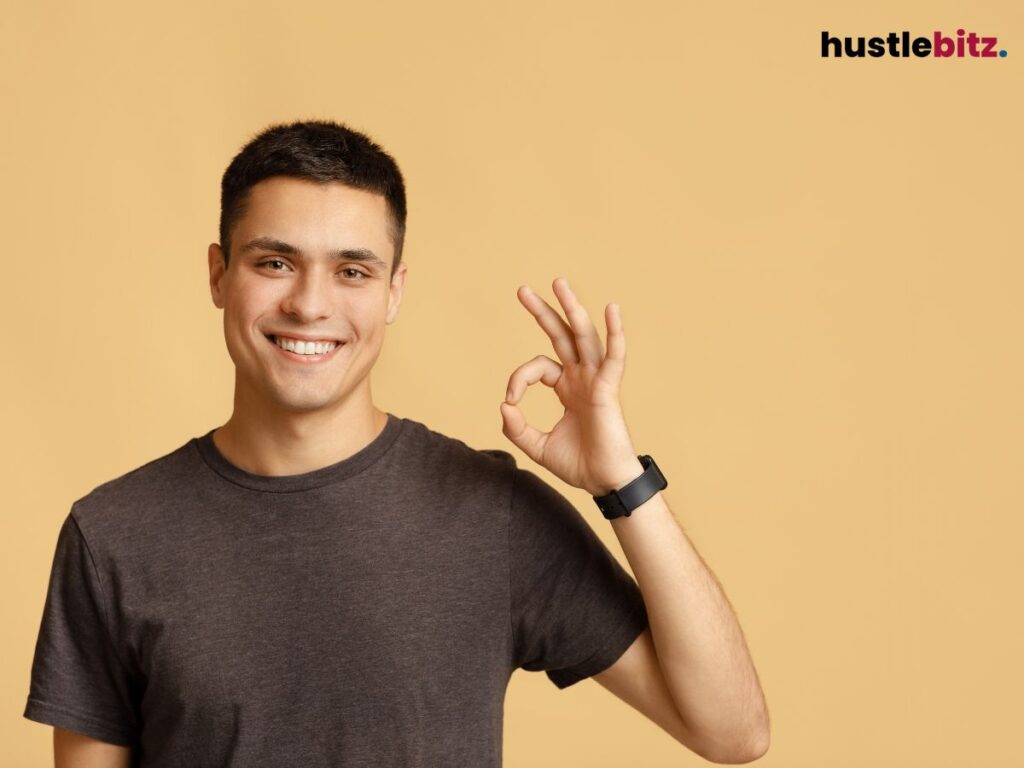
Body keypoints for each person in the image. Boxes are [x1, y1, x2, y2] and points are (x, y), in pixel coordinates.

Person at [23, 120, 769, 767]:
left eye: (353, 270)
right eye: (274, 262)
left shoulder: (491, 515)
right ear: (219, 275)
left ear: (394, 292)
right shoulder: (114, 535)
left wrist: (621, 482)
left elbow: (732, 732)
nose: (310, 304)